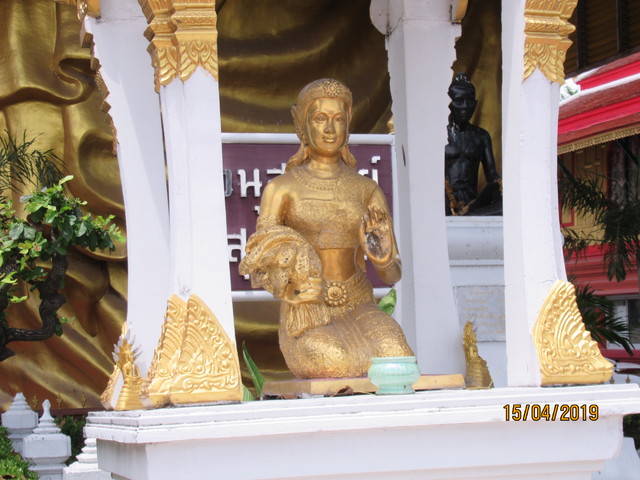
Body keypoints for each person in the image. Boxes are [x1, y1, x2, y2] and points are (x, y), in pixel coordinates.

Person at [240, 78, 413, 378]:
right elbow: (260, 260)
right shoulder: (281, 189)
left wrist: (383, 259)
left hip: (358, 301)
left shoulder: (366, 190)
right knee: (333, 361)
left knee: (396, 357)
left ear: (348, 123)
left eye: (338, 119)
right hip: (308, 310)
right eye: (320, 118)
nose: (330, 129)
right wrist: (292, 290)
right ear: (301, 124)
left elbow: (393, 275)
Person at [444, 73, 501, 215]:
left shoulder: (481, 136)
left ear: (475, 104)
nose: (465, 107)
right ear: (448, 103)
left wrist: (499, 191)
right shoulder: (439, 136)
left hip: (473, 203)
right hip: (444, 203)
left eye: (469, 101)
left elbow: (492, 177)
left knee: (507, 207)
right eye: (459, 101)